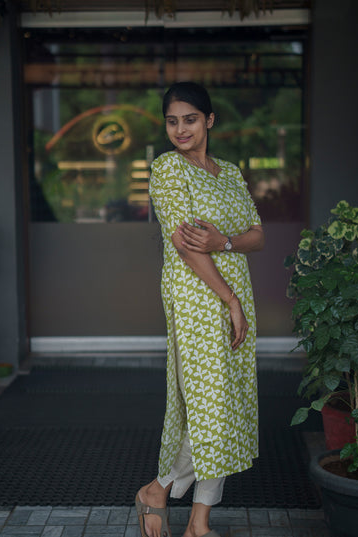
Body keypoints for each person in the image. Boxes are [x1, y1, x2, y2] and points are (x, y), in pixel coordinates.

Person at [136, 82, 265, 537]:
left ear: (209, 120)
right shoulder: (167, 170)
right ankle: (159, 488)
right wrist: (228, 298)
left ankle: (198, 522)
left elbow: (256, 234)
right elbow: (185, 246)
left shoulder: (228, 173)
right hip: (196, 298)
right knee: (210, 406)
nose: (180, 129)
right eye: (172, 121)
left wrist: (223, 241)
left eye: (190, 119)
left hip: (236, 296)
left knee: (225, 404)